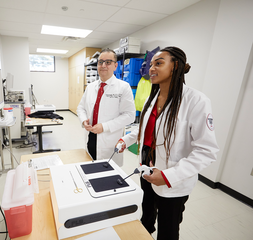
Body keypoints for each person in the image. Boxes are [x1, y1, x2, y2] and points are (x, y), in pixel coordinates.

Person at [116, 46, 219, 239]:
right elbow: (145, 126)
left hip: (173, 179)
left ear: (176, 66)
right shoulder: (152, 97)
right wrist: (126, 138)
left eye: (159, 63)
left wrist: (169, 176)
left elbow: (207, 150)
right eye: (151, 64)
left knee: (168, 228)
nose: (151, 68)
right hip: (147, 168)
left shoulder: (196, 101)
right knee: (146, 215)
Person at [77, 48, 136, 166]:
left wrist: (105, 127)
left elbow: (130, 116)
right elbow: (81, 108)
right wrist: (84, 121)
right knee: (91, 166)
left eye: (108, 62)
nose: (103, 65)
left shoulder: (123, 87)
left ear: (115, 66)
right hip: (91, 137)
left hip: (109, 140)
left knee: (108, 175)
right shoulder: (90, 87)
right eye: (100, 62)